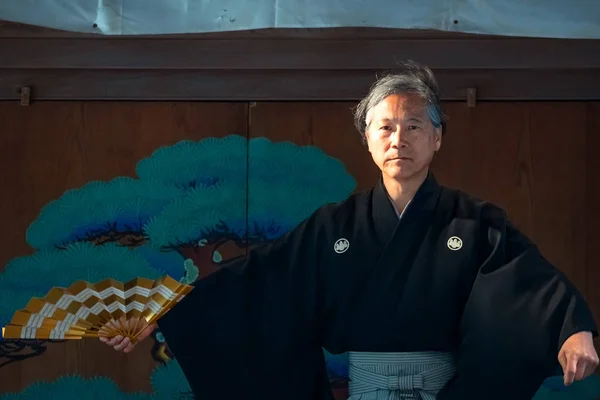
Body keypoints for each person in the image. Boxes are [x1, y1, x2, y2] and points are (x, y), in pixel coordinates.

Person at [101, 61, 599, 400]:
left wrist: (572, 329)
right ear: (367, 140)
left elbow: (529, 284)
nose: (398, 139)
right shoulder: (333, 228)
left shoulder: (475, 223)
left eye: (414, 127)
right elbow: (259, 283)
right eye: (385, 127)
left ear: (437, 137)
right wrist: (167, 315)